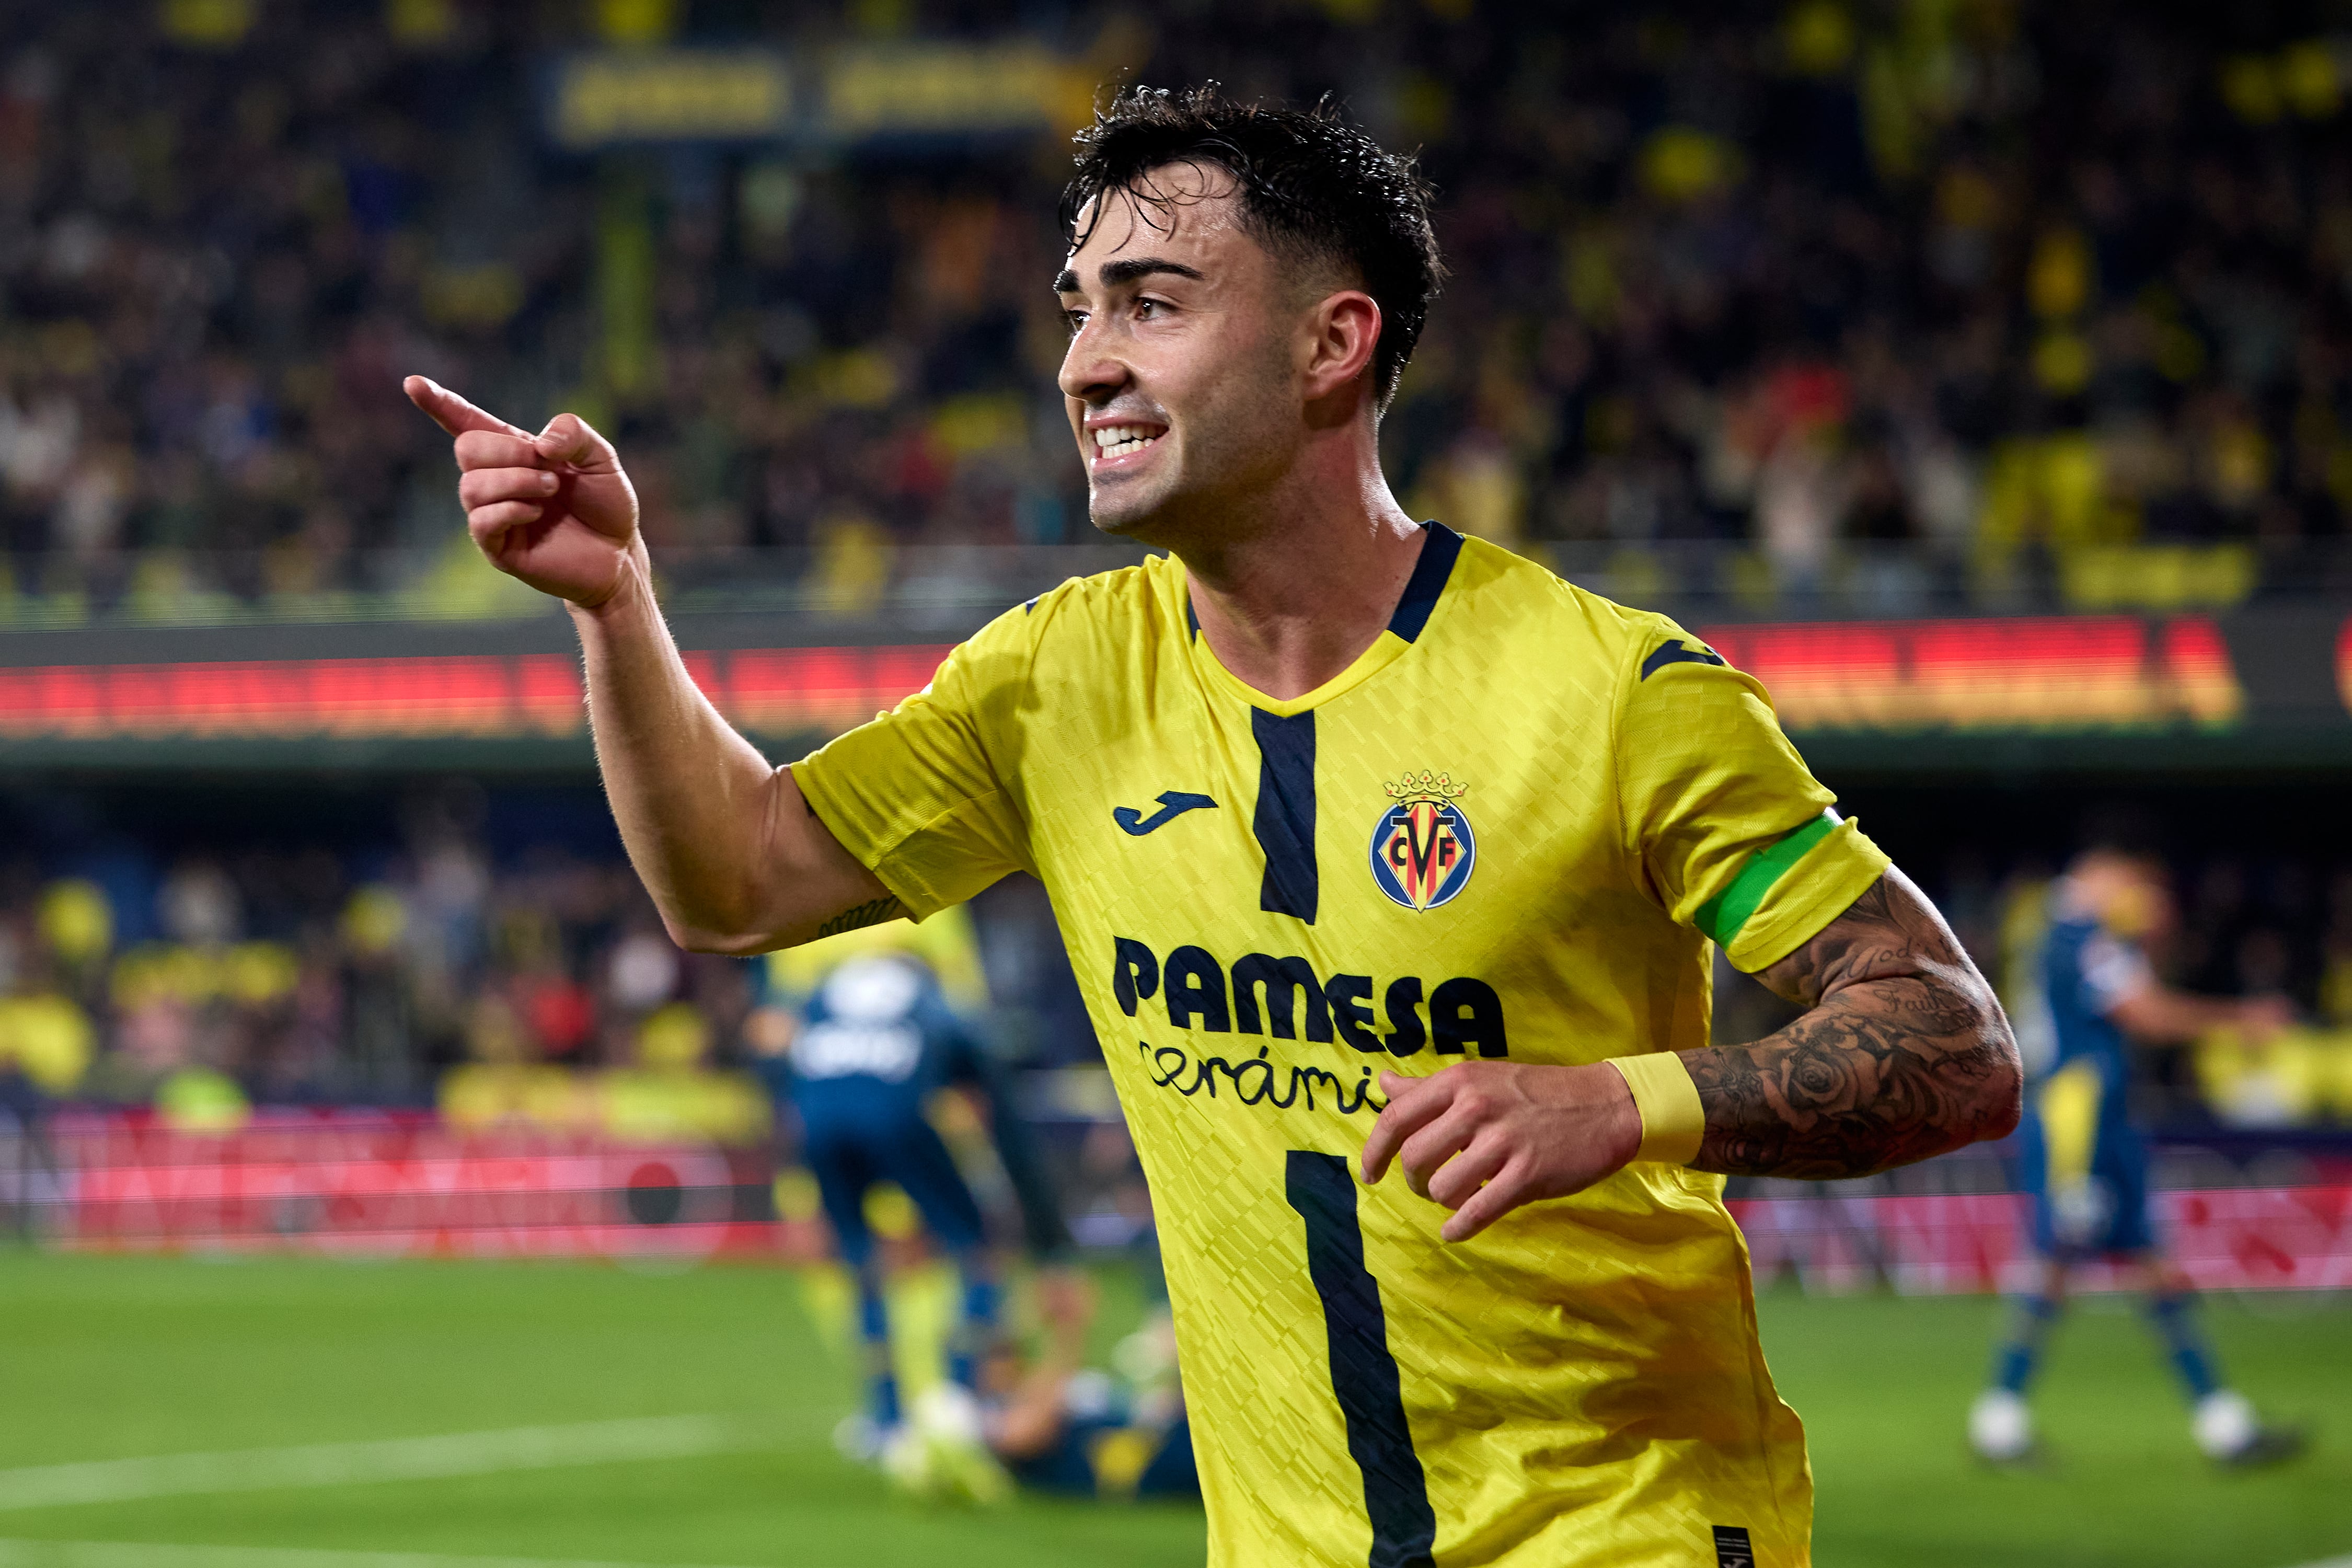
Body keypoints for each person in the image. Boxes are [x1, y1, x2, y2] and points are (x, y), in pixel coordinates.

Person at [408, 85, 2017, 1568]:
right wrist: (618, 606)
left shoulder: (1618, 693)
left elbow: (1952, 1041)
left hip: (1627, 1535)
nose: (1083, 361)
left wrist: (1627, 1099)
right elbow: (734, 879)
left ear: (1332, 346)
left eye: (1152, 304)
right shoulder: (1056, 679)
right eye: (1079, 309)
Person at [1969, 836, 2304, 1469]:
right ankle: (1998, 1421)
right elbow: (2143, 1013)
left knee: (2150, 1262)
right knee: (2056, 1262)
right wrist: (2242, 1018)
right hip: (2078, 1121)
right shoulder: (2077, 934)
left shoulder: (2083, 935)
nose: (2138, 898)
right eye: (2130, 883)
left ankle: (2223, 1425)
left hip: (2104, 1118)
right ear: (2099, 875)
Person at [743, 921, 1069, 1470]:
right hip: (897, 1115)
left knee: (861, 1263)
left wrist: (794, 1161)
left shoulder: (824, 991)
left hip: (817, 1119)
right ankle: (964, 1402)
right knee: (975, 1246)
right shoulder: (938, 1003)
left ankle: (885, 1421)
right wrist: (1049, 1241)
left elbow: (773, 1053)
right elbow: (1005, 1123)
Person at [978, 1266, 1198, 1503]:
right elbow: (1027, 1435)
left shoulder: (1024, 1393)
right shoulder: (988, 1416)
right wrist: (1070, 1329)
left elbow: (1041, 1392)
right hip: (1150, 1461)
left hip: (1155, 1441)